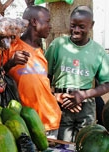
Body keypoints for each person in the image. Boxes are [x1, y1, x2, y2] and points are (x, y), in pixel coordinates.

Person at [45, 5, 109, 142]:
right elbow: (45, 77)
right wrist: (55, 96)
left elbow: (107, 84)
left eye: (81, 26)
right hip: (62, 103)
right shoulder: (57, 45)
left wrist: (83, 95)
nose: (76, 30)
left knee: (85, 143)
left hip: (86, 104)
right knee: (62, 144)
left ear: (91, 25)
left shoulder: (99, 52)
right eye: (73, 25)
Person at [0, 5, 61, 139]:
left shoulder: (40, 51)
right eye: (47, 21)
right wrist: (11, 63)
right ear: (34, 22)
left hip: (50, 119)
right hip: (26, 123)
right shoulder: (11, 47)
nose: (50, 26)